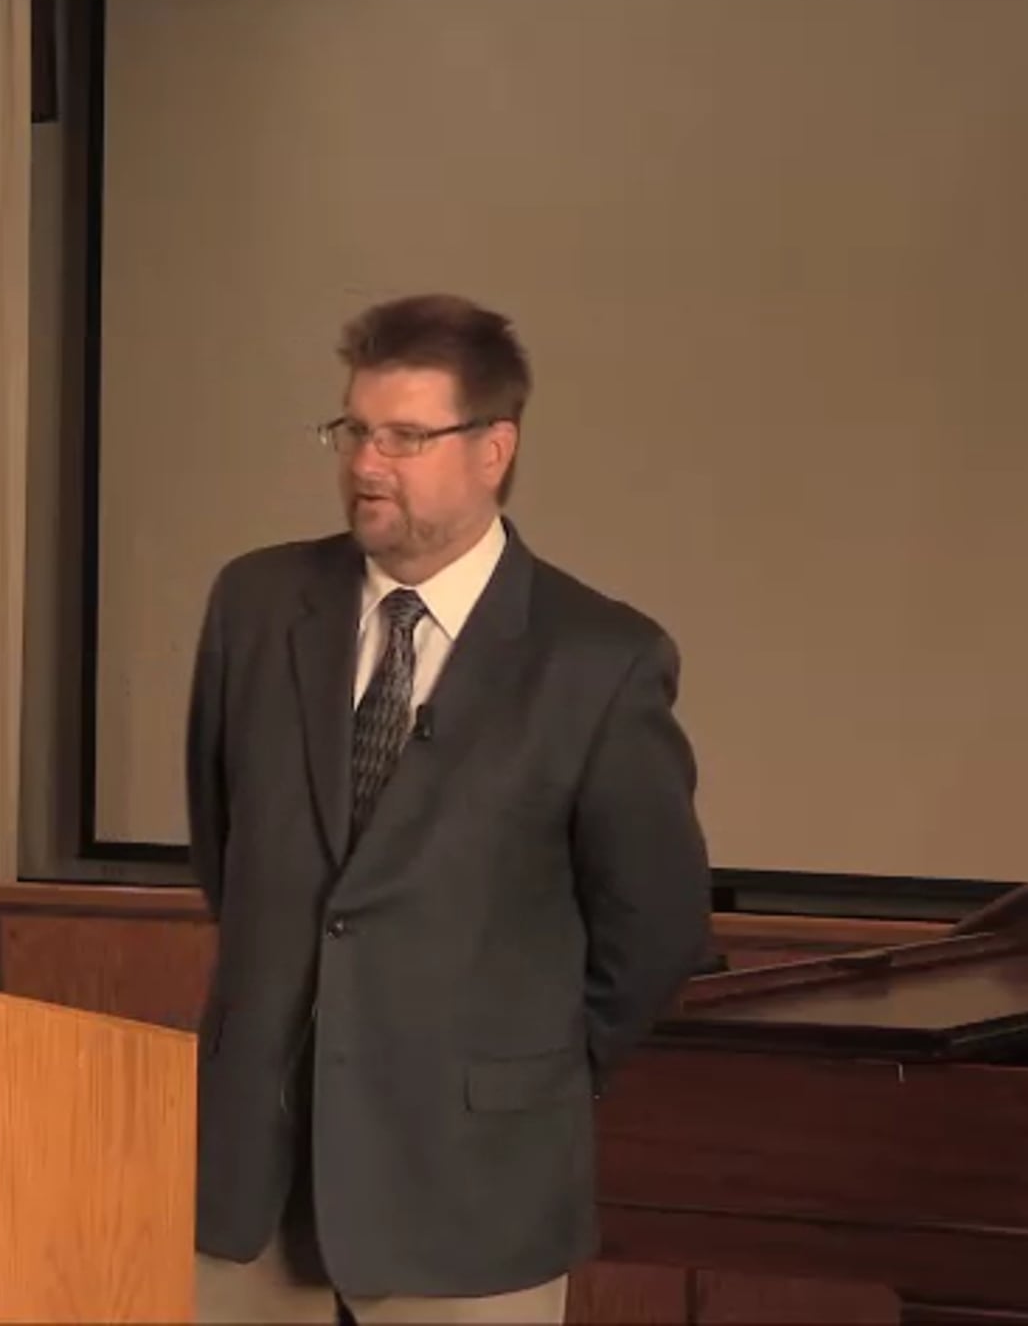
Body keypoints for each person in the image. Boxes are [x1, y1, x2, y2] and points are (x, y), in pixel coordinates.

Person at [184, 293, 713, 1323]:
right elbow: (227, 848)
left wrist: (523, 1070)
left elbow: (654, 928)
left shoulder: (599, 658)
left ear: (493, 449)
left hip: (474, 1189)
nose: (366, 463)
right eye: (353, 430)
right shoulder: (254, 604)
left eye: (405, 437)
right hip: (255, 1181)